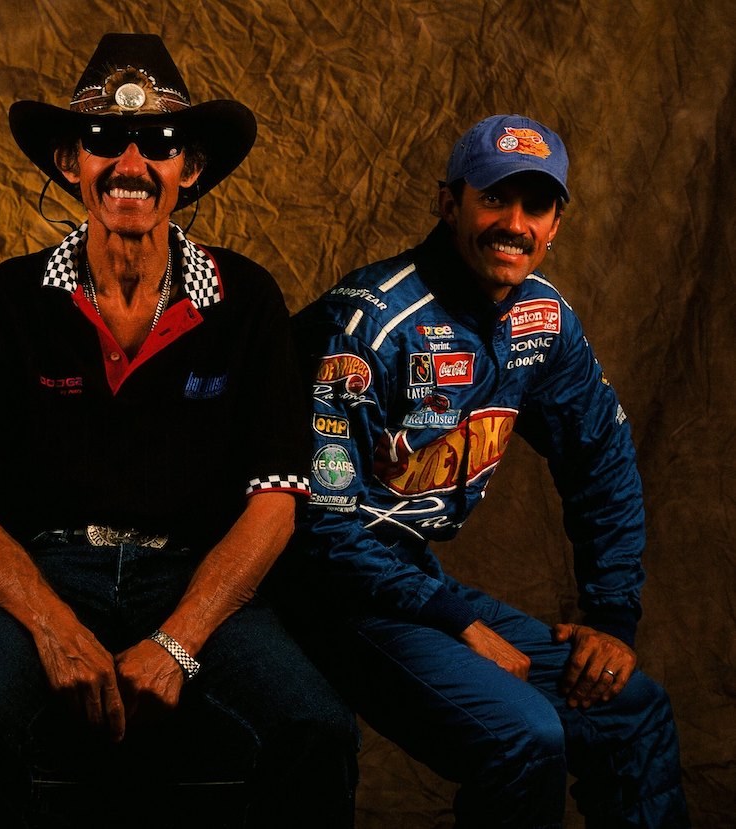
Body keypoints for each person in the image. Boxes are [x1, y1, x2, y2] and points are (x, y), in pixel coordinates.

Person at [0, 33, 357, 827]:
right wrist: (54, 628)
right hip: (48, 567)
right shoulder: (10, 299)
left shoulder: (246, 297)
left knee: (317, 726)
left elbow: (276, 503)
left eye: (157, 143)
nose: (130, 164)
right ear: (68, 161)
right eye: (102, 141)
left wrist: (180, 642)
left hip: (199, 575)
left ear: (187, 168)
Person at [281, 114, 689, 826]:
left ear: (556, 222)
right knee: (524, 735)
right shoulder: (372, 322)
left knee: (631, 707)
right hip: (326, 589)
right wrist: (460, 621)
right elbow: (321, 526)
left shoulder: (543, 320)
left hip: (407, 575)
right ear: (450, 204)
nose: (515, 222)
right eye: (495, 198)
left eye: (536, 206)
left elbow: (603, 460)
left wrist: (611, 616)